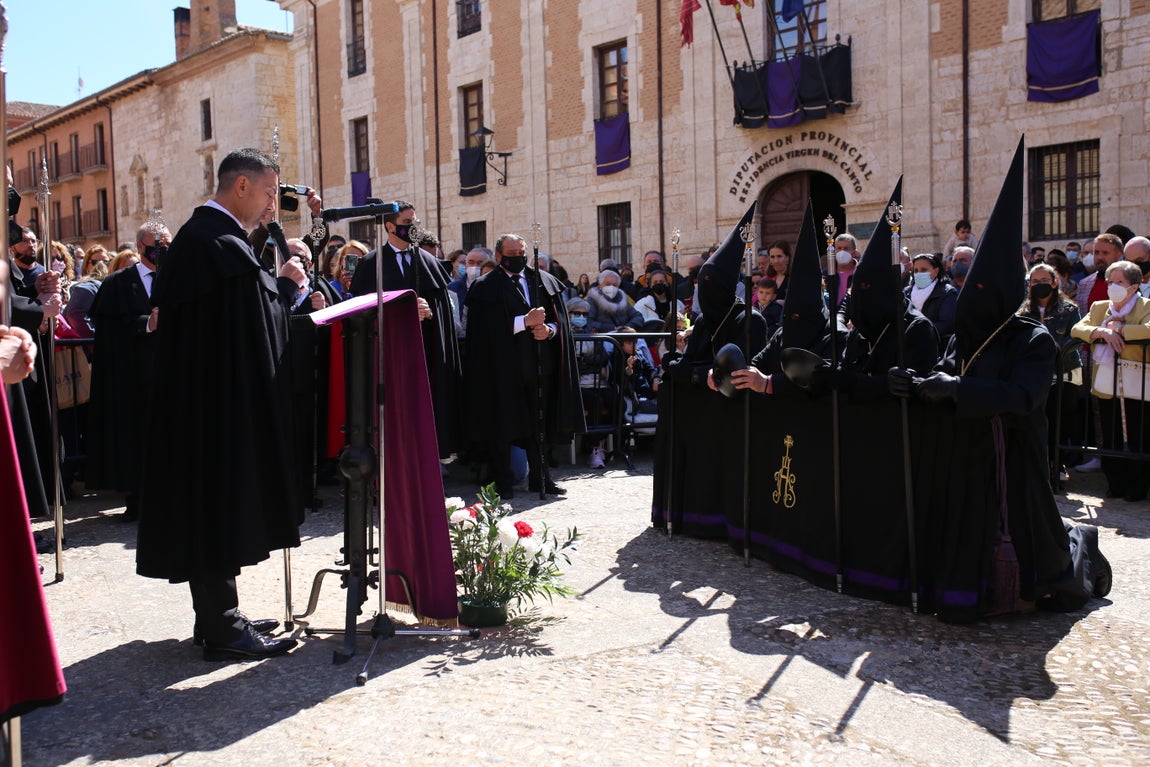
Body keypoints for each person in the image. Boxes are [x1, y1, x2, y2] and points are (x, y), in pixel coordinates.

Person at [890, 143, 1108, 621]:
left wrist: (958, 390)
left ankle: (1080, 547)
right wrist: (916, 383)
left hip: (1014, 456)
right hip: (965, 453)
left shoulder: (1033, 339)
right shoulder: (968, 334)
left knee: (1044, 564)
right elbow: (946, 371)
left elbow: (1023, 396)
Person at [136, 148, 304, 661]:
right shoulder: (218, 244)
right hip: (213, 410)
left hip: (202, 404)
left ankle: (218, 618)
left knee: (209, 507)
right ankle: (223, 626)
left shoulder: (204, 240)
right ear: (242, 187)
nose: (275, 202)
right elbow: (254, 326)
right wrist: (288, 288)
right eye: (271, 191)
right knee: (213, 506)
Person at [463, 233, 585, 498]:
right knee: (501, 426)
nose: (517, 258)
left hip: (540, 366)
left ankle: (541, 478)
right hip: (502, 370)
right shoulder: (485, 286)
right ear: (498, 256)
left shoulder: (542, 280)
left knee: (539, 424)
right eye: (511, 253)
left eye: (521, 253)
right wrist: (523, 323)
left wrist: (549, 330)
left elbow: (559, 320)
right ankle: (503, 481)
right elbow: (482, 331)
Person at [350, 200, 464, 459]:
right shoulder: (371, 264)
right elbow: (362, 314)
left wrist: (430, 312)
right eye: (406, 224)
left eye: (415, 223)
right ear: (390, 226)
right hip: (388, 355)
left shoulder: (428, 262)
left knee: (427, 412)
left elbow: (444, 315)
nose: (413, 228)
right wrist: (399, 313)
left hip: (425, 352)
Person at [85, 220, 171, 522]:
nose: (161, 252)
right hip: (133, 376)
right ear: (139, 247)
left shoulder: (180, 277)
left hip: (172, 373)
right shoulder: (118, 283)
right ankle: (137, 498)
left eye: (166, 246)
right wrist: (147, 323)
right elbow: (109, 330)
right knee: (136, 438)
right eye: (155, 246)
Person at [1071, 260, 1150, 501]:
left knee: (1139, 433)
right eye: (1110, 281)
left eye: (1120, 282)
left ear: (1134, 286)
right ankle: (1114, 484)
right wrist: (1103, 331)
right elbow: (1078, 328)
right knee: (1110, 432)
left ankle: (1137, 486)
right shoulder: (1099, 307)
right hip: (1107, 382)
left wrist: (1122, 329)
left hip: (1138, 380)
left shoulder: (1146, 306)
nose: (1113, 286)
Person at [1020, 262, 1083, 475]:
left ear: (1055, 283)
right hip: (1034, 375)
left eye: (1044, 281)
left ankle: (1058, 464)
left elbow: (1075, 339)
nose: (1040, 285)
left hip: (1063, 373)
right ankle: (1040, 466)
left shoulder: (1069, 309)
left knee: (1060, 420)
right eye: (1035, 281)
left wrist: (1049, 351)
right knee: (1038, 420)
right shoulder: (1022, 311)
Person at [906, 253, 959, 352]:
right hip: (908, 346)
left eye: (923, 270)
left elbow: (946, 324)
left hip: (936, 347)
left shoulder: (947, 292)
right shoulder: (906, 293)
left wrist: (919, 332)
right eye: (916, 270)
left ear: (936, 271)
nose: (918, 274)